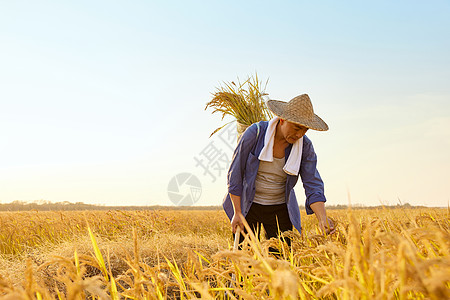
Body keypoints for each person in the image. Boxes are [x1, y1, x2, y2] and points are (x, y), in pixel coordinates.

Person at [222, 94, 335, 246]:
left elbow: (312, 183)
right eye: (296, 128)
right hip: (249, 205)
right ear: (282, 120)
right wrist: (237, 212)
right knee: (244, 260)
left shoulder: (305, 146)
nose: (299, 134)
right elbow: (235, 174)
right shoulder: (255, 134)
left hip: (280, 207)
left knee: (281, 260)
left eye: (305, 130)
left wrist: (322, 218)